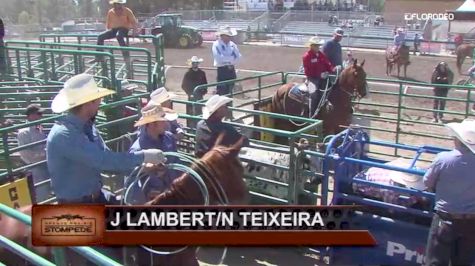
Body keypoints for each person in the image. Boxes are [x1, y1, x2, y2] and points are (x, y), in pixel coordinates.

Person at [46, 73, 166, 205]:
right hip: (76, 206)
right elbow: (103, 160)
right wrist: (143, 156)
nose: (100, 102)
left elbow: (108, 158)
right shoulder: (64, 135)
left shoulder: (87, 127)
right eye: (97, 99)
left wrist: (142, 169)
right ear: (88, 103)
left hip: (96, 197)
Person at [423, 119, 475, 266]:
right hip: (471, 222)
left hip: (445, 218)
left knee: (435, 261)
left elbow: (427, 182)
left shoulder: (443, 159)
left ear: (458, 139)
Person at [17, 104, 50, 203]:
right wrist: (45, 153)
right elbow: (26, 155)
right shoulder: (24, 132)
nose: (41, 116)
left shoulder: (38, 127)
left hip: (43, 165)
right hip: (34, 168)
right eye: (39, 113)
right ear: (30, 116)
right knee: (40, 194)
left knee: (45, 192)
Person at [302, 36, 338, 115]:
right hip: (311, 79)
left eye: (318, 45)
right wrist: (319, 74)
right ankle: (312, 115)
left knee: (331, 88)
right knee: (314, 95)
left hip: (322, 77)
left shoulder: (320, 54)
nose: (318, 47)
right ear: (311, 46)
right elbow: (308, 71)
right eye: (316, 45)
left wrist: (332, 69)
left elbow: (327, 63)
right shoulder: (307, 56)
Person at [212, 25, 241, 96]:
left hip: (231, 70)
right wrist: (231, 59)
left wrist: (227, 60)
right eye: (228, 36)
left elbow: (239, 57)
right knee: (222, 91)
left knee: (230, 92)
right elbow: (219, 58)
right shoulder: (216, 45)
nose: (230, 37)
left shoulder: (232, 45)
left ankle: (229, 106)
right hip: (222, 70)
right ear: (222, 36)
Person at [181, 55, 208, 128]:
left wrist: (203, 92)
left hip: (199, 96)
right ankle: (190, 128)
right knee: (190, 113)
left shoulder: (202, 73)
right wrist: (189, 93)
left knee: (199, 112)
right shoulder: (188, 73)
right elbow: (184, 85)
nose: (195, 64)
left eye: (196, 63)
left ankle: (197, 128)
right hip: (192, 96)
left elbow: (205, 84)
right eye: (193, 63)